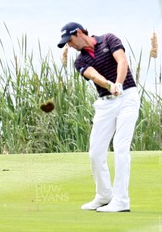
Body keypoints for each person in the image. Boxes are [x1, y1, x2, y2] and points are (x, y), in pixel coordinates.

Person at [57, 22, 140, 213]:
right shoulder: (80, 61)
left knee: (120, 147)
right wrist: (110, 85)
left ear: (79, 33)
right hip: (105, 103)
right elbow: (94, 76)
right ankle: (104, 196)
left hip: (127, 97)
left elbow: (122, 61)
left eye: (69, 41)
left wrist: (118, 84)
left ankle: (121, 201)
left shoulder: (109, 39)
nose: (69, 46)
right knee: (95, 152)